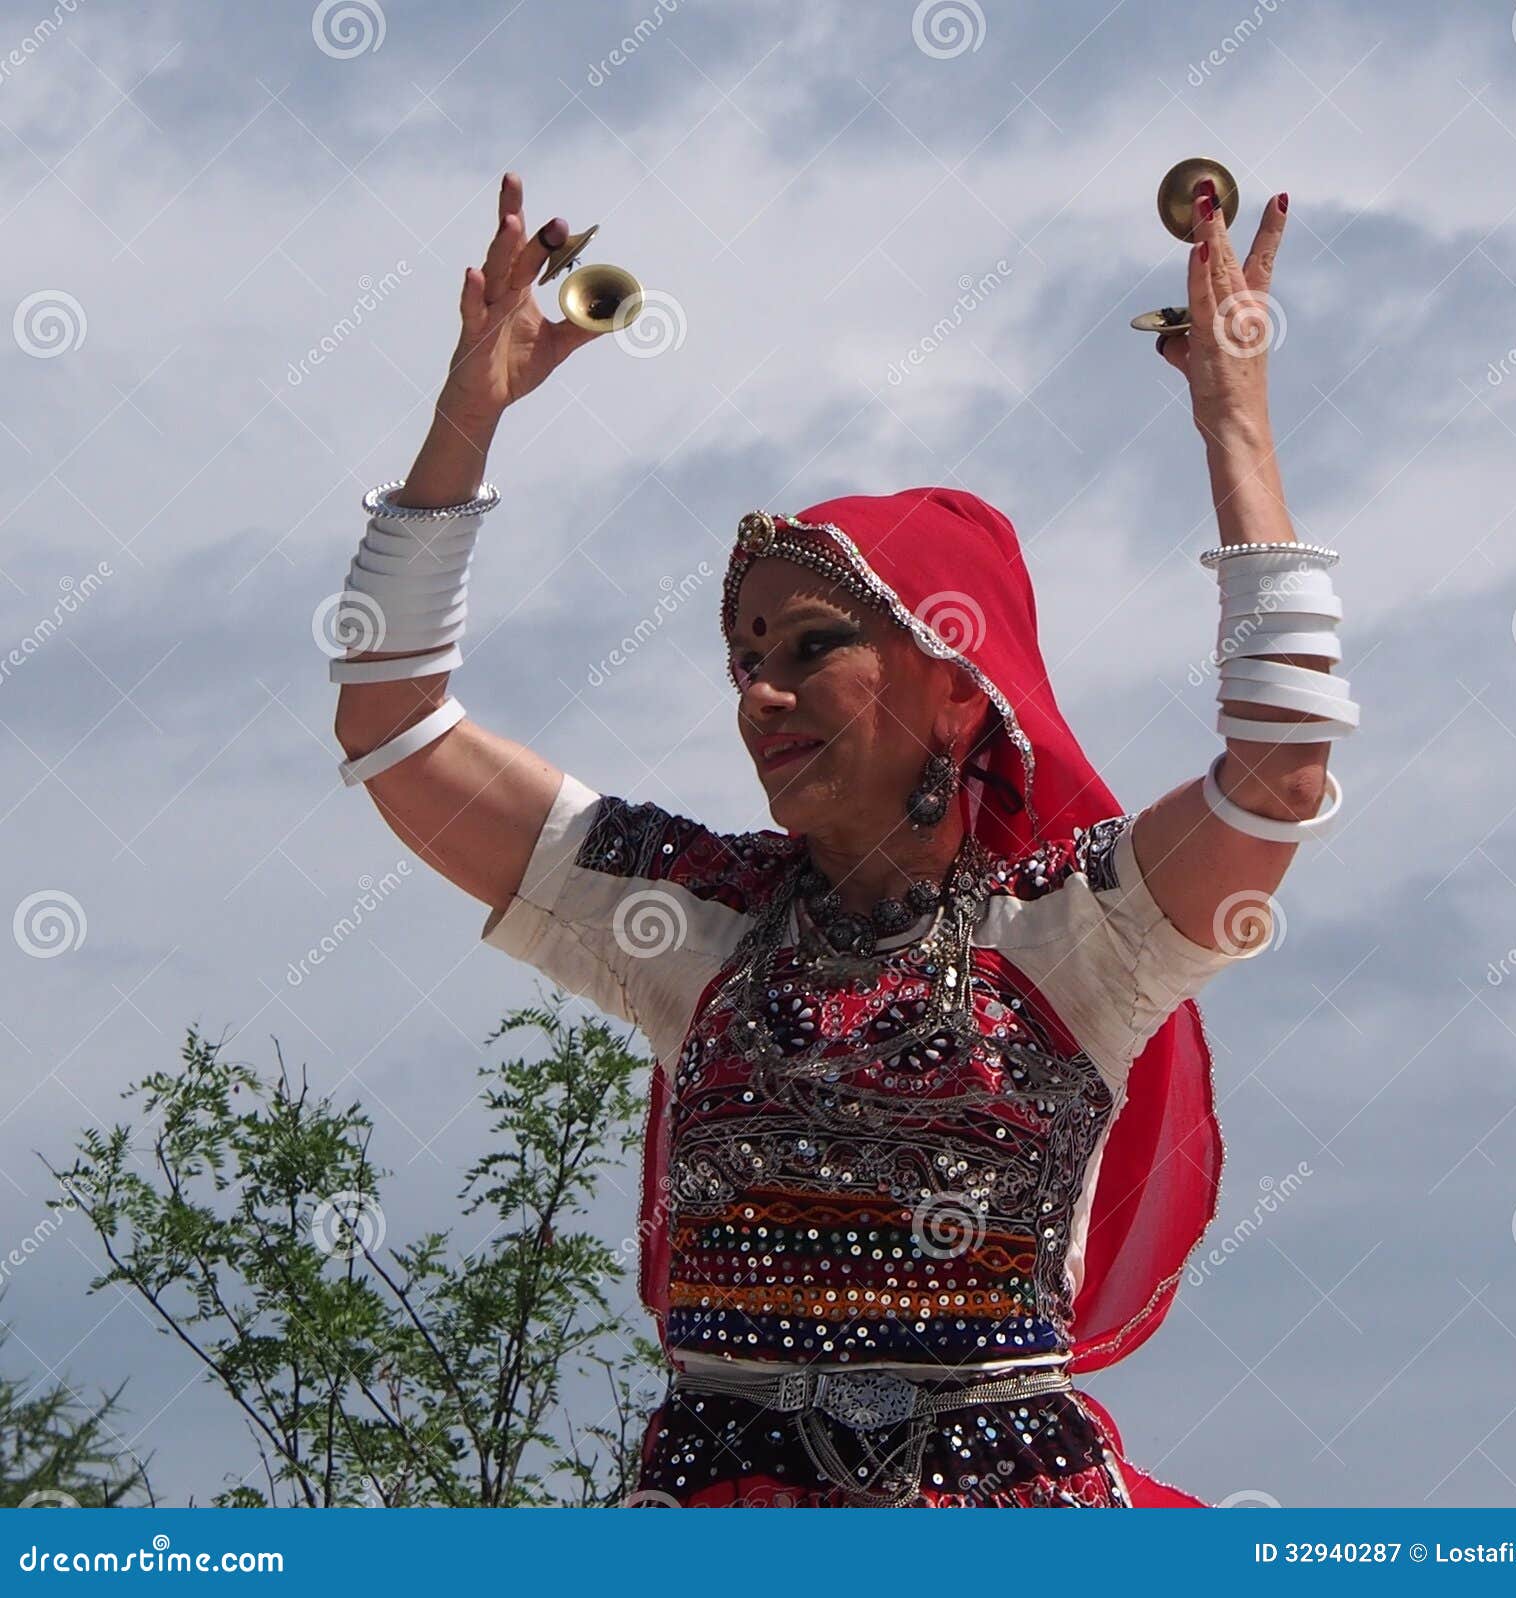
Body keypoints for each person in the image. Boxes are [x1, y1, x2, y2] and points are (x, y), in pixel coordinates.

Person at [329, 174, 1358, 1506]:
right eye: (744, 658)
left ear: (954, 683)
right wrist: (468, 416)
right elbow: (394, 729)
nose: (760, 691)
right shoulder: (688, 920)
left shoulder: (1073, 936)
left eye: (812, 648)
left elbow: (1276, 776)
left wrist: (1238, 429)